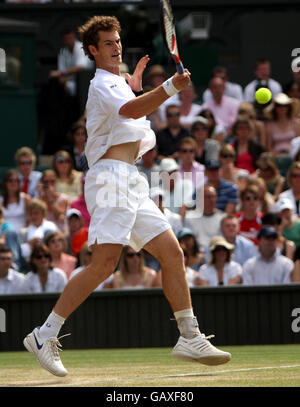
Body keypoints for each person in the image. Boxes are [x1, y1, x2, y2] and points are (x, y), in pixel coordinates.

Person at [23, 15, 230, 377]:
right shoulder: (103, 83)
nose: (116, 47)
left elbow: (128, 107)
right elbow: (132, 109)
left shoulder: (116, 82)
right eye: (108, 43)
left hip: (130, 180)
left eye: (118, 41)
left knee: (172, 252)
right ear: (92, 50)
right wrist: (169, 86)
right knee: (104, 264)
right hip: (110, 180)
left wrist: (133, 84)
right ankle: (45, 333)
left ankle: (188, 335)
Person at [49, 28, 93, 97]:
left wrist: (62, 73)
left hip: (85, 82)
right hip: (69, 82)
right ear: (63, 40)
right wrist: (63, 78)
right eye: (66, 38)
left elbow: (81, 67)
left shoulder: (81, 48)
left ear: (74, 37)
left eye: (70, 38)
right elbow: (61, 70)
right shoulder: (63, 51)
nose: (69, 40)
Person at [185, 184, 226, 251]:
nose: (212, 200)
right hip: (197, 255)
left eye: (214, 196)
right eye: (208, 197)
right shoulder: (189, 217)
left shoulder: (223, 218)